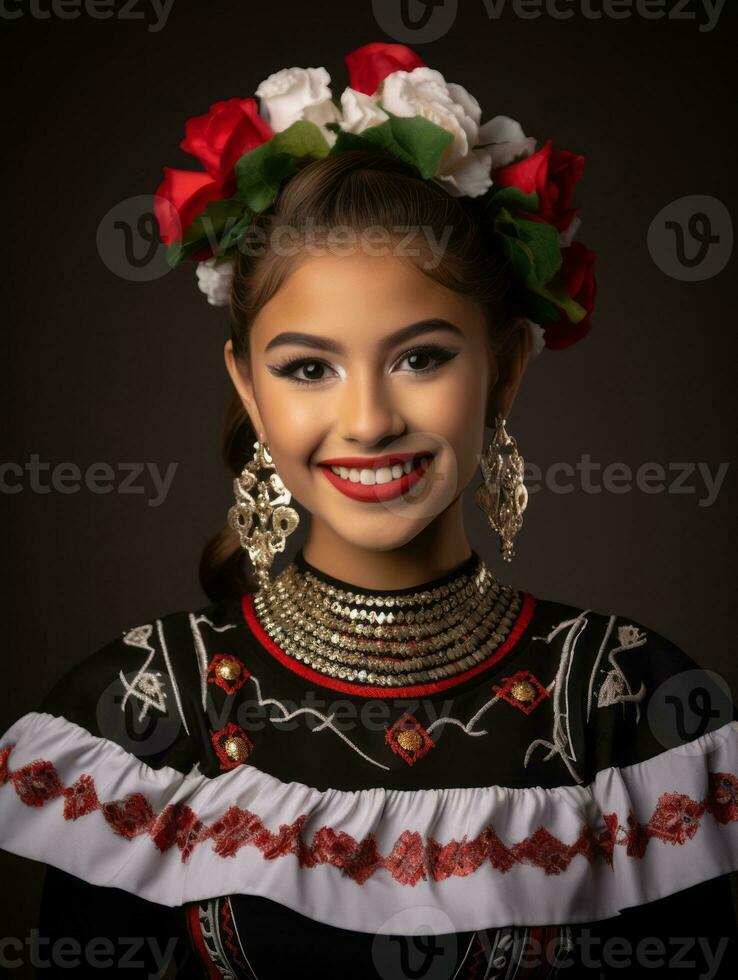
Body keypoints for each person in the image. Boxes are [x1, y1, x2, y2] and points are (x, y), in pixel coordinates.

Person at [1, 41, 737, 980]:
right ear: (249, 388)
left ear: (503, 368)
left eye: (420, 358)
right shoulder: (138, 714)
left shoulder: (628, 707)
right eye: (308, 368)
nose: (369, 421)